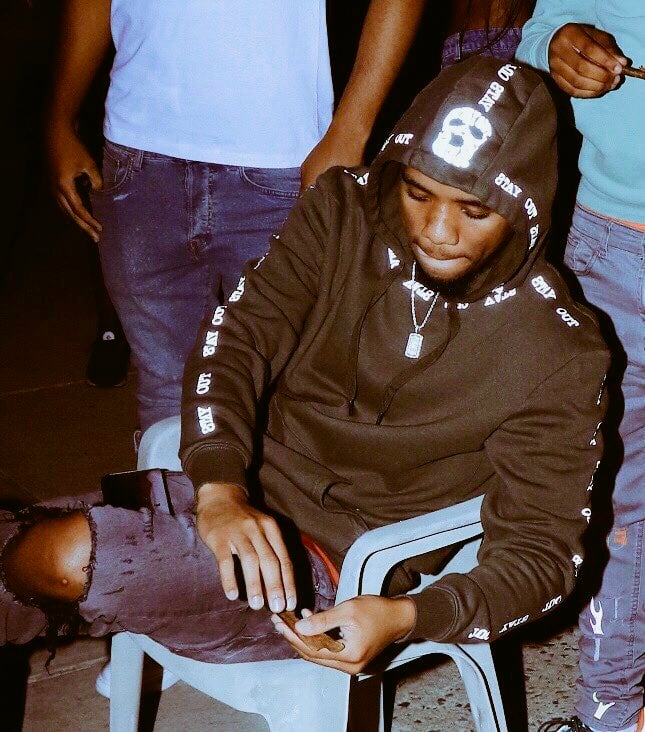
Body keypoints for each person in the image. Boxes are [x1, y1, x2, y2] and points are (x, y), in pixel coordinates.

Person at [1, 59, 608, 683]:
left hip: (335, 570)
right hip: (233, 489)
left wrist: (409, 616)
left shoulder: (560, 350)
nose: (436, 232)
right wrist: (220, 486)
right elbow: (237, 336)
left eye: (474, 211)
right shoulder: (342, 212)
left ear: (528, 210)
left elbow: (543, 555)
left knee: (61, 558)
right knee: (19, 552)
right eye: (417, 193)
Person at [46, 0, 428, 433]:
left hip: (281, 163)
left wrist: (351, 129)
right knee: (169, 389)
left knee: (287, 388)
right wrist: (60, 118)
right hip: (138, 159)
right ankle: (176, 478)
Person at [517, 4, 644, 732]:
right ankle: (610, 712)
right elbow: (543, 29)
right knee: (619, 494)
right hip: (606, 244)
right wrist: (557, 46)